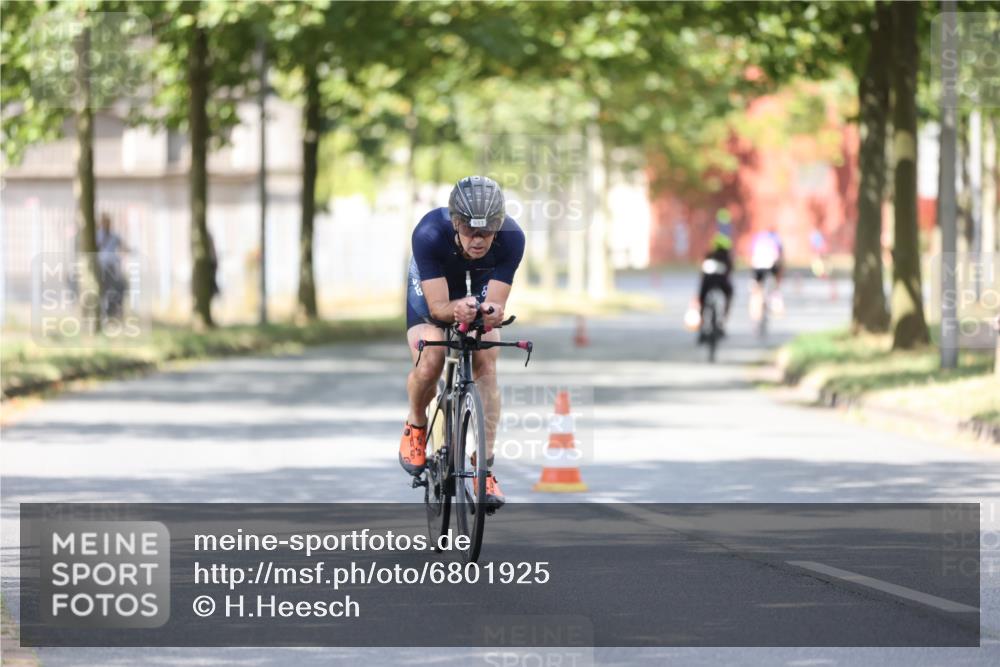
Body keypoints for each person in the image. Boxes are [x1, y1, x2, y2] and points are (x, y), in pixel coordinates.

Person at [399, 175, 525, 509]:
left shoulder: (512, 238)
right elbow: (438, 308)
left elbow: (495, 304)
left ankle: (484, 468)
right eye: (470, 230)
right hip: (436, 289)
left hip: (478, 284)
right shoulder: (429, 233)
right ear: (456, 222)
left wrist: (491, 313)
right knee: (432, 356)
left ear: (499, 225)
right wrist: (456, 309)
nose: (479, 239)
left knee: (488, 359)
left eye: (488, 230)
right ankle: (416, 423)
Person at [696, 232, 734, 340]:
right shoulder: (726, 258)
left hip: (707, 282)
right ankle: (722, 321)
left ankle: (702, 326)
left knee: (702, 300)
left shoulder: (709, 255)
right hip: (721, 283)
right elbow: (729, 272)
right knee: (729, 296)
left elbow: (702, 273)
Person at [749, 226, 784, 320]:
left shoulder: (757, 238)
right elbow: (780, 256)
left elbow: (752, 254)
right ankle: (777, 306)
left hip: (758, 264)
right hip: (770, 264)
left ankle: (754, 313)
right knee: (774, 286)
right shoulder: (776, 238)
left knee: (756, 289)